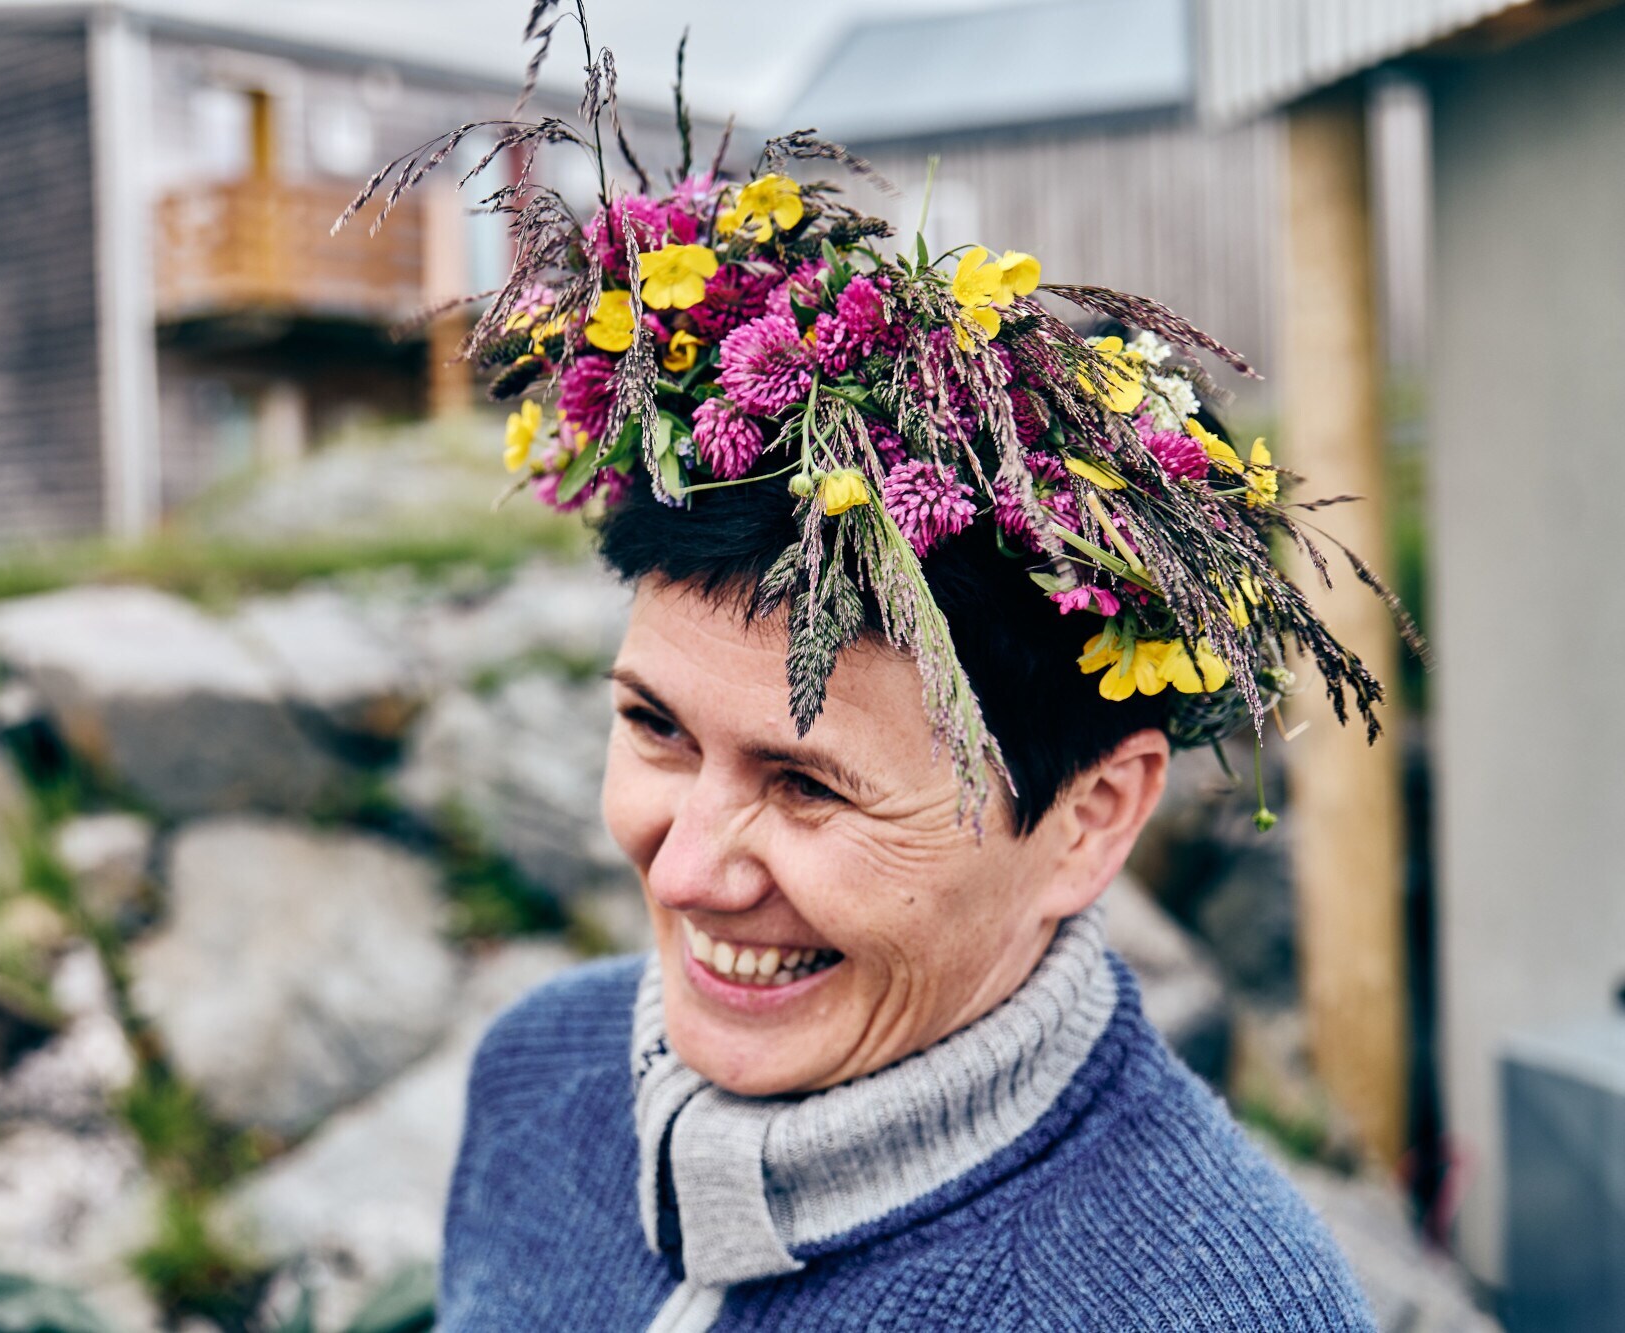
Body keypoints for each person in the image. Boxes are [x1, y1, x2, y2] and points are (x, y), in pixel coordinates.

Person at [338, 9, 1398, 1327]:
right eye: (656, 729)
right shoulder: (538, 1084)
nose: (681, 868)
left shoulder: (1206, 1309)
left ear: (1092, 813)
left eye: (807, 785)